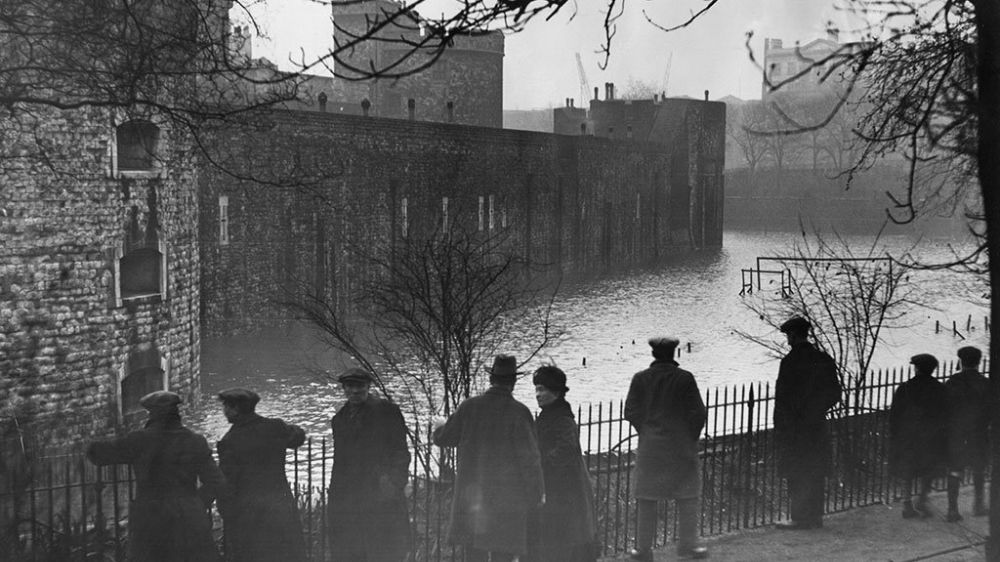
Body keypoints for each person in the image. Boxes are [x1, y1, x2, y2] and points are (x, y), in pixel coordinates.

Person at [86, 390, 224, 562]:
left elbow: (98, 455)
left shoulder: (140, 440)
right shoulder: (195, 441)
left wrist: (91, 439)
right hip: (189, 518)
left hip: (151, 517)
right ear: (176, 414)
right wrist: (195, 502)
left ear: (153, 414)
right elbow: (216, 481)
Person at [432, 354, 545, 562]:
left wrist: (439, 425)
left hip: (473, 499)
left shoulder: (469, 407)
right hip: (507, 502)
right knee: (503, 553)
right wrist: (536, 494)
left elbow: (444, 438)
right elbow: (530, 461)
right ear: (513, 382)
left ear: (492, 379)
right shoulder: (520, 413)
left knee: (474, 554)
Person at [624, 337, 708, 561]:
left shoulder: (640, 379)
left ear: (653, 354)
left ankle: (642, 550)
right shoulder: (685, 378)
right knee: (687, 495)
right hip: (681, 446)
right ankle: (688, 547)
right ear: (673, 354)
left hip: (651, 448)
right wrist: (690, 436)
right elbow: (699, 413)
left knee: (647, 498)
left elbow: (630, 411)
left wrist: (647, 430)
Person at [327, 368, 412, 561]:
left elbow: (400, 451)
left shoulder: (387, 411)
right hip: (351, 497)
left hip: (381, 493)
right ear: (344, 388)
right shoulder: (339, 419)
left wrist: (394, 482)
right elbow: (340, 461)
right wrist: (336, 495)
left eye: (359, 386)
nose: (354, 391)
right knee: (353, 550)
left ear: (368, 386)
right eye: (350, 386)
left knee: (384, 549)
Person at [216, 388, 307, 562]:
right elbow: (298, 438)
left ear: (235, 409)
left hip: (249, 511)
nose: (224, 410)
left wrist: (225, 510)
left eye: (226, 406)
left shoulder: (230, 441)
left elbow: (227, 481)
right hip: (279, 504)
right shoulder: (275, 427)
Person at [773, 316, 842, 530]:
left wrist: (781, 426)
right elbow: (835, 393)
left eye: (788, 336)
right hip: (816, 425)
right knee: (815, 469)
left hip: (794, 427)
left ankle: (800, 517)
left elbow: (782, 398)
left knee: (796, 470)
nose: (787, 340)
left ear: (794, 335)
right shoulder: (823, 359)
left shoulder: (789, 362)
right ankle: (815, 516)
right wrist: (816, 409)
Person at [528, 365, 597, 562]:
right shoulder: (549, 415)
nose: (537, 395)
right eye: (536, 389)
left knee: (564, 538)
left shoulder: (563, 419)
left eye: (542, 389)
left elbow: (565, 451)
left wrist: (541, 463)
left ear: (556, 392)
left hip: (565, 488)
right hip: (556, 485)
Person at [890, 354, 949, 519]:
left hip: (909, 436)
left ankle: (907, 503)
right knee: (929, 468)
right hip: (931, 436)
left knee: (908, 469)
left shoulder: (905, 388)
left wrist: (896, 435)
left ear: (916, 368)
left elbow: (895, 415)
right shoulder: (940, 388)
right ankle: (922, 498)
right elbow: (945, 415)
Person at [944, 345, 989, 521]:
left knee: (955, 471)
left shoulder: (953, 382)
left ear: (961, 362)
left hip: (957, 434)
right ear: (978, 362)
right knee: (979, 470)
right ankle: (978, 506)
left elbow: (945, 409)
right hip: (978, 434)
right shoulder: (985, 383)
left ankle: (952, 510)